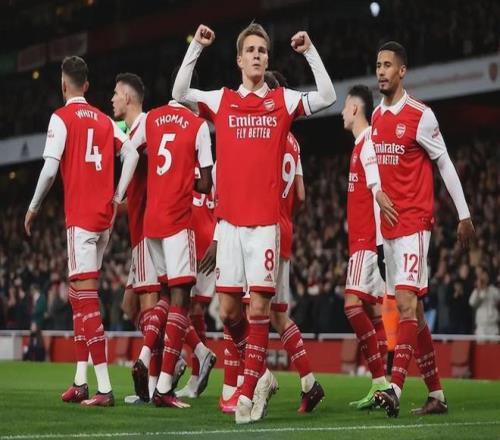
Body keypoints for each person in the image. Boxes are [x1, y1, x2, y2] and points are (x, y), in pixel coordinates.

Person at [173, 23, 335, 424]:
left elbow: (328, 96)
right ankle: (261, 375)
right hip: (228, 225)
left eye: (263, 50)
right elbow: (179, 92)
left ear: (267, 58)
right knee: (229, 312)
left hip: (264, 225)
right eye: (251, 50)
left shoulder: (282, 101)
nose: (258, 55)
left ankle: (247, 392)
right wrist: (196, 47)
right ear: (239, 59)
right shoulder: (222, 100)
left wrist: (309, 51)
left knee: (260, 307)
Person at [25, 55, 139, 406]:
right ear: (86, 85)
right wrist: (118, 196)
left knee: (85, 298)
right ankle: (80, 381)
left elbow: (49, 170)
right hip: (104, 219)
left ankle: (103, 387)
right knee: (78, 295)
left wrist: (33, 207)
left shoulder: (61, 118)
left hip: (81, 219)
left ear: (64, 85)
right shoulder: (105, 120)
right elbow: (132, 154)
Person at [372, 41, 475, 417]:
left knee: (405, 304)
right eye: (378, 65)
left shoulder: (421, 115)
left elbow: (444, 162)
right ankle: (437, 395)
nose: (381, 71)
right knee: (412, 310)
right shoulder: (377, 117)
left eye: (388, 65)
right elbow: (377, 179)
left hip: (415, 223)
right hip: (388, 229)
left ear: (402, 71)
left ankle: (395, 389)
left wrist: (464, 214)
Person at [128, 75, 214, 408]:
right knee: (181, 299)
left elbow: (130, 151)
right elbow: (205, 184)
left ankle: (144, 354)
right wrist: (185, 175)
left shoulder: (152, 118)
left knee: (164, 294)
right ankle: (164, 386)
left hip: (150, 222)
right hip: (178, 222)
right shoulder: (198, 125)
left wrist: (122, 192)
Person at [111, 72, 165, 402]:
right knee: (130, 305)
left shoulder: (145, 127)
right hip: (137, 232)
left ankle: (154, 382)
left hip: (148, 230)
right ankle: (171, 358)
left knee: (149, 304)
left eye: (116, 94)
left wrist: (115, 197)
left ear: (128, 98)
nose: (112, 99)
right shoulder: (132, 132)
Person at [341, 84, 390, 409]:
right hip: (363, 242)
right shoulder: (360, 145)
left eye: (345, 106)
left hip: (366, 243)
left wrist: (379, 244)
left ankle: (380, 380)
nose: (342, 112)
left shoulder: (368, 143)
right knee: (373, 314)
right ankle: (383, 387)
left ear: (356, 109)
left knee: (352, 306)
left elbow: (377, 192)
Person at [176, 167, 218, 399]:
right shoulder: (212, 170)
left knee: (177, 305)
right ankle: (196, 374)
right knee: (195, 310)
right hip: (209, 240)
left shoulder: (186, 166)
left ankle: (194, 365)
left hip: (190, 240)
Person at [469, 266, 500, 335]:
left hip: (493, 325)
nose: (485, 278)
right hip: (481, 326)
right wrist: (479, 291)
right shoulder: (476, 291)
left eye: (486, 276)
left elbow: (498, 298)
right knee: (481, 342)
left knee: (494, 342)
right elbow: (472, 304)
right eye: (483, 276)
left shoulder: (494, 290)